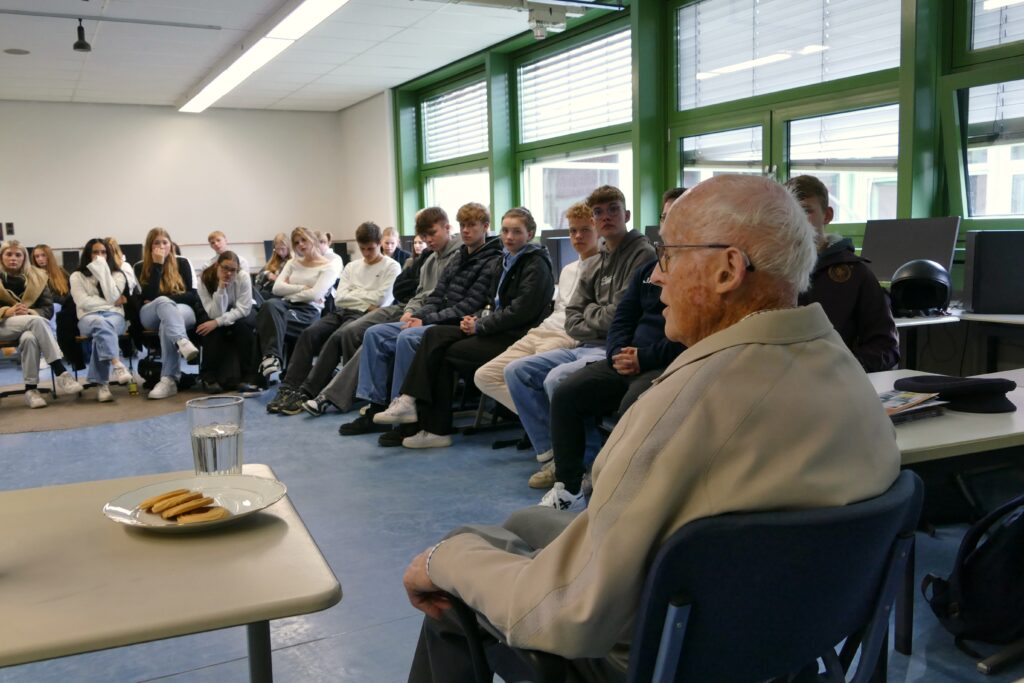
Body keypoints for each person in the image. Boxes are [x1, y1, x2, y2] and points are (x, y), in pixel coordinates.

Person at [401, 175, 902, 683]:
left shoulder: (683, 407)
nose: (657, 277)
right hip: (788, 640)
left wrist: (444, 559)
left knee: (457, 561)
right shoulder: (847, 376)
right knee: (524, 523)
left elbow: (563, 614)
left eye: (669, 256)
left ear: (728, 270)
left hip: (657, 659)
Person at [536, 189, 688, 504]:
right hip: (625, 359)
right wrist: (617, 352)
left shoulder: (701, 272)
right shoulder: (650, 269)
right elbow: (622, 318)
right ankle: (568, 488)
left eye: (680, 215)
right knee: (565, 392)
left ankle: (621, 490)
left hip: (665, 363)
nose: (670, 222)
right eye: (665, 216)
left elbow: (693, 334)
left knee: (633, 404)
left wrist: (643, 358)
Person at [503, 185, 655, 465]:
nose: (606, 216)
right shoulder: (596, 262)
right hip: (583, 345)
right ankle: (553, 453)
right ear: (594, 220)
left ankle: (586, 463)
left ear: (626, 215)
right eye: (598, 212)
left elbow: (622, 315)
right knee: (516, 371)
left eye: (613, 210)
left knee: (557, 379)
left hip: (613, 348)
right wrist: (595, 317)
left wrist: (591, 313)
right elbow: (572, 317)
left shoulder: (643, 254)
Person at [384, 208, 555, 449]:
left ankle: (435, 429)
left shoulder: (535, 264)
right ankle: (409, 402)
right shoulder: (506, 260)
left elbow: (520, 312)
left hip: (516, 336)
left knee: (444, 352)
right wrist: (475, 319)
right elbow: (491, 302)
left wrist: (480, 324)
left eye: (517, 232)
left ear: (530, 234)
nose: (509, 237)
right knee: (434, 334)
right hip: (494, 328)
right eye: (505, 231)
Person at [350, 202, 501, 442]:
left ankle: (403, 418)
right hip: (436, 317)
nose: (466, 230)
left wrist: (425, 319)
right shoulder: (459, 257)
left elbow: (467, 306)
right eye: (463, 225)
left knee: (407, 337)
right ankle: (376, 406)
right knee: (374, 333)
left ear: (485, 227)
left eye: (471, 225)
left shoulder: (492, 260)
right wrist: (420, 315)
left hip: (455, 323)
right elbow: (436, 295)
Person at [305, 209, 458, 420]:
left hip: (423, 314)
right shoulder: (429, 259)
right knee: (358, 333)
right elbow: (412, 291)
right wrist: (410, 309)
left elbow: (393, 297)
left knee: (361, 334)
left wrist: (417, 313)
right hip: (405, 308)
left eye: (431, 234)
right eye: (424, 236)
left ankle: (347, 396)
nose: (427, 240)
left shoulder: (454, 257)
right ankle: (357, 396)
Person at [473, 202, 599, 415]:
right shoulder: (568, 270)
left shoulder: (604, 269)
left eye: (585, 230)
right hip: (541, 331)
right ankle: (547, 424)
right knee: (485, 376)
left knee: (523, 374)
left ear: (597, 230)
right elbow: (558, 310)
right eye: (572, 231)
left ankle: (554, 428)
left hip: (567, 337)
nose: (578, 236)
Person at [268, 222, 401, 414]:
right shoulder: (352, 266)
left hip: (367, 316)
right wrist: (365, 299)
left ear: (379, 243)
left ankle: (307, 392)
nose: (366, 253)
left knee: (337, 338)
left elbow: (381, 301)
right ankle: (288, 388)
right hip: (342, 311)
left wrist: (354, 295)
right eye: (362, 249)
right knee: (309, 333)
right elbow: (340, 298)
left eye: (370, 248)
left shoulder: (392, 266)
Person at [786, 175, 899, 372]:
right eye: (788, 211)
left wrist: (842, 367)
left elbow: (886, 347)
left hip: (835, 376)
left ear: (827, 215)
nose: (796, 220)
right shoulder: (767, 272)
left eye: (805, 211)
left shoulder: (856, 275)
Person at [0, 240, 83, 408]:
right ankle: (60, 371)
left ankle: (31, 390)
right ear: (1, 257)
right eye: (9, 254)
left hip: (29, 323)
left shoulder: (37, 277)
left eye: (18, 255)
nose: (13, 258)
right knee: (35, 321)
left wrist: (29, 312)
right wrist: (6, 311)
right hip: (3, 324)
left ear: (24, 258)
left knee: (30, 338)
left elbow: (48, 308)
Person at [255, 226, 342, 380]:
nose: (301, 244)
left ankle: (272, 361)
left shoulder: (329, 266)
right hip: (286, 305)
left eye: (304, 240)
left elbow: (316, 294)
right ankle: (272, 357)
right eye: (296, 242)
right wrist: (303, 288)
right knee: (269, 305)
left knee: (265, 321)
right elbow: (277, 288)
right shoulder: (292, 263)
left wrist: (290, 292)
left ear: (312, 240)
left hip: (308, 310)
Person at [136, 227, 200, 400]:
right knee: (163, 303)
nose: (161, 246)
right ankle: (182, 341)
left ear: (171, 245)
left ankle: (168, 380)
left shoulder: (183, 262)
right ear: (149, 246)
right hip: (151, 314)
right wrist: (157, 265)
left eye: (165, 242)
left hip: (181, 311)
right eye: (156, 243)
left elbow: (192, 295)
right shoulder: (139, 266)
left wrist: (165, 299)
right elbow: (147, 297)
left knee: (167, 322)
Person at [69, 238, 128, 402]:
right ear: (88, 254)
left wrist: (103, 272)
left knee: (100, 333)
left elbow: (113, 295)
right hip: (88, 318)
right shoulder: (76, 276)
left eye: (103, 252)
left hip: (115, 317)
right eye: (95, 252)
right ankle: (117, 364)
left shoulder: (117, 274)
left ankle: (102, 385)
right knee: (100, 323)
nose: (100, 256)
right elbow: (83, 302)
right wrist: (110, 303)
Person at [194, 251, 259, 393]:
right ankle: (209, 377)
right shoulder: (204, 279)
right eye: (225, 268)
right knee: (208, 328)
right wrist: (221, 288)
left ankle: (248, 377)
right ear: (217, 265)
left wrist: (217, 322)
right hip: (214, 310)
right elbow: (214, 313)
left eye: (233, 270)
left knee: (243, 325)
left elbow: (243, 309)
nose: (229, 273)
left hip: (242, 310)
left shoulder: (243, 276)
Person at [254, 232, 292, 303]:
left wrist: (279, 280)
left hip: (282, 296)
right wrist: (267, 274)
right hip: (269, 293)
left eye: (282, 249)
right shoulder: (273, 260)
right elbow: (257, 278)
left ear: (288, 247)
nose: (280, 252)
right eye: (277, 249)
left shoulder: (293, 261)